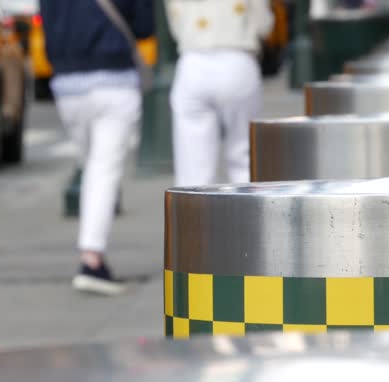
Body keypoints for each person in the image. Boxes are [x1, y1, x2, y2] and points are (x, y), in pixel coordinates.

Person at [40, 0, 154, 296]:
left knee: (92, 166)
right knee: (103, 169)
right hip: (114, 78)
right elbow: (144, 25)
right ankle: (92, 259)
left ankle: (92, 255)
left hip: (67, 84)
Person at [166, 0, 275, 187]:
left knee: (193, 164)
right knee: (244, 155)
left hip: (192, 61)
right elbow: (264, 24)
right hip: (238, 59)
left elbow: (175, 27)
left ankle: (195, 214)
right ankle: (250, 212)